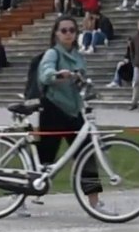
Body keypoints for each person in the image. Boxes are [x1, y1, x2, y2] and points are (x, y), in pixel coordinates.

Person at [35, 16, 104, 211]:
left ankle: (94, 201)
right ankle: (22, 196)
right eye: (63, 30)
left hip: (74, 111)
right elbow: (45, 73)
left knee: (87, 153)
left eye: (72, 30)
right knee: (45, 159)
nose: (68, 34)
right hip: (53, 109)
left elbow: (80, 77)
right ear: (56, 33)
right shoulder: (52, 53)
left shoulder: (78, 55)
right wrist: (57, 74)